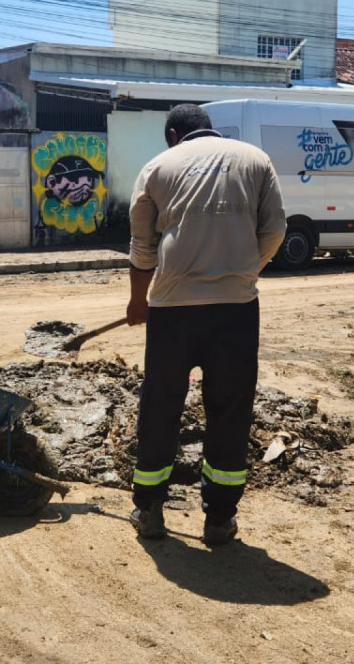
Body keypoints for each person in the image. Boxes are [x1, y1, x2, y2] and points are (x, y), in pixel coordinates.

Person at [126, 103, 286, 546]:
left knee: (160, 404)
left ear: (174, 135)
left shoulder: (158, 166)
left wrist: (138, 302)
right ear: (209, 130)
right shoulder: (256, 160)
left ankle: (150, 509)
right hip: (235, 309)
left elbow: (143, 248)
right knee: (230, 409)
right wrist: (245, 271)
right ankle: (219, 519)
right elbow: (275, 230)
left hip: (172, 308)